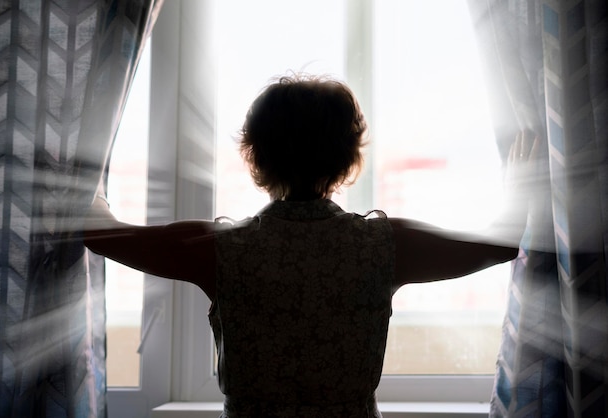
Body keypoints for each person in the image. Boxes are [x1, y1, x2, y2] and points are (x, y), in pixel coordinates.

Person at [84, 74, 538, 417]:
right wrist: (523, 181)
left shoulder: (223, 249)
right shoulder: (381, 246)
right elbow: (496, 245)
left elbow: (103, 234)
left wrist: (88, 184)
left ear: (255, 155)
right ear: (348, 159)